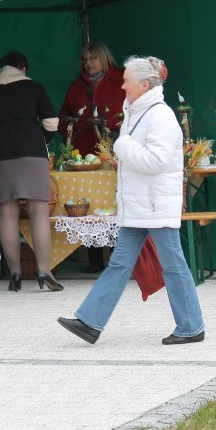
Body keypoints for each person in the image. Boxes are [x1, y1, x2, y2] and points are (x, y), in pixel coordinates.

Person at [58, 56, 206, 346]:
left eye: (126, 80)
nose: (122, 84)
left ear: (145, 84)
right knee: (120, 264)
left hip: (153, 204)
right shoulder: (137, 112)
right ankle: (90, 322)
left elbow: (157, 160)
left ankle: (191, 326)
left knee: (173, 264)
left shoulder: (160, 116)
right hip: (140, 205)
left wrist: (123, 146)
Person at [0, 52, 63, 292]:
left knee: (7, 216)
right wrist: (40, 139)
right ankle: (44, 270)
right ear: (23, 68)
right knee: (39, 212)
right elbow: (52, 122)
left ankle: (15, 274)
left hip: (0, 155)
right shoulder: (34, 87)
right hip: (32, 151)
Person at [58, 41, 126, 273]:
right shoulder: (77, 86)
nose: (87, 64)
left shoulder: (123, 80)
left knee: (116, 202)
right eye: (84, 60)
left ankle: (119, 257)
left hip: (117, 154)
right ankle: (95, 259)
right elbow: (63, 116)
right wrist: (73, 134)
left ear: (104, 57)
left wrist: (113, 126)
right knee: (91, 203)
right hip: (85, 154)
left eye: (92, 59)